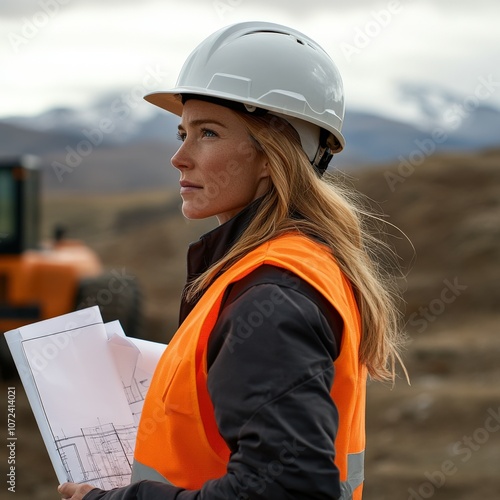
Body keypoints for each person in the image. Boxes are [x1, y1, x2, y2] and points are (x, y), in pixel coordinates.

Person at [58, 21, 405, 500]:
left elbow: (287, 490)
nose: (179, 157)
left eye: (208, 133)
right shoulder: (283, 269)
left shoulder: (273, 295)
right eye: (183, 132)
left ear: (273, 156)